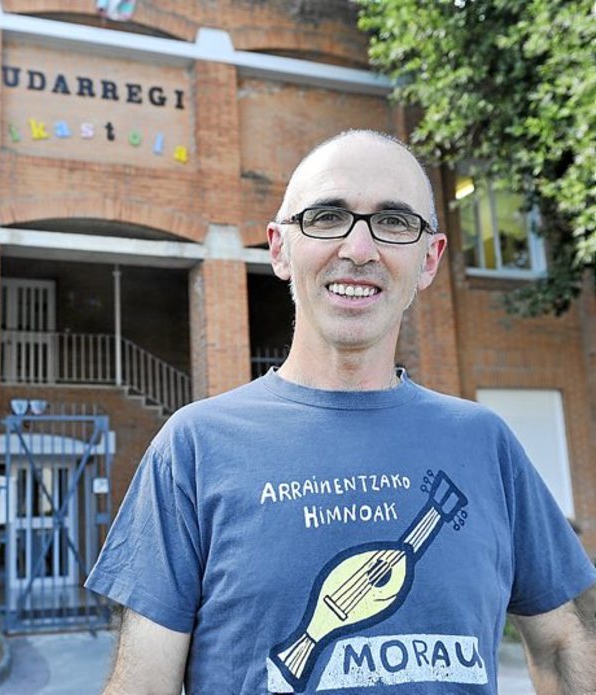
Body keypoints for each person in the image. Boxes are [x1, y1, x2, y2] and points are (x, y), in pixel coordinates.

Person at [85, 130, 596, 694]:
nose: (358, 249)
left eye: (394, 222)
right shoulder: (194, 447)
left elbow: (563, 645)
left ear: (429, 259)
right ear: (280, 249)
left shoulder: (485, 442)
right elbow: (143, 685)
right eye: (327, 217)